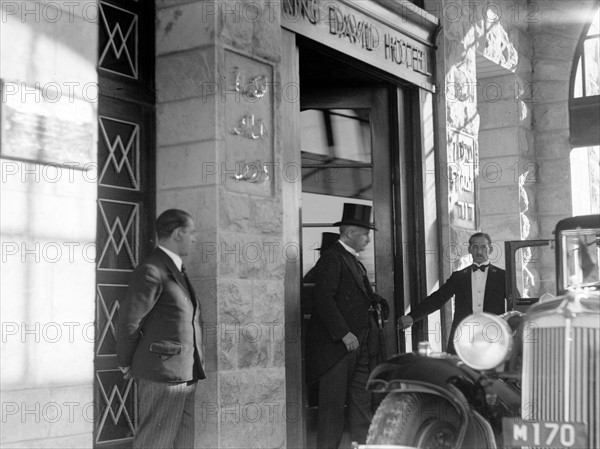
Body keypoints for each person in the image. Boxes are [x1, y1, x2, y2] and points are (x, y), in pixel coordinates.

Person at [117, 209, 205, 449]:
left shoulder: (176, 269)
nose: (194, 238)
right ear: (177, 233)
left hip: (186, 371)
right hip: (163, 374)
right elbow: (129, 321)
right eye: (191, 232)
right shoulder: (152, 270)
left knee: (182, 442)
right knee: (155, 443)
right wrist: (126, 361)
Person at [305, 203, 388, 449]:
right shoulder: (333, 258)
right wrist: (343, 333)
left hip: (359, 345)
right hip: (337, 350)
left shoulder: (352, 261)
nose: (368, 240)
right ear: (350, 233)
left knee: (361, 402)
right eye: (365, 234)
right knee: (332, 409)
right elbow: (323, 300)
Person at [398, 232, 506, 354]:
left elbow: (517, 304)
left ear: (490, 249)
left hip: (494, 336)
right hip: (464, 338)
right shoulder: (458, 277)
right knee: (460, 371)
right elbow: (437, 299)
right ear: (470, 249)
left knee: (493, 372)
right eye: (475, 247)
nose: (479, 251)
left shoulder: (503, 277)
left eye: (483, 247)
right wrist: (412, 317)